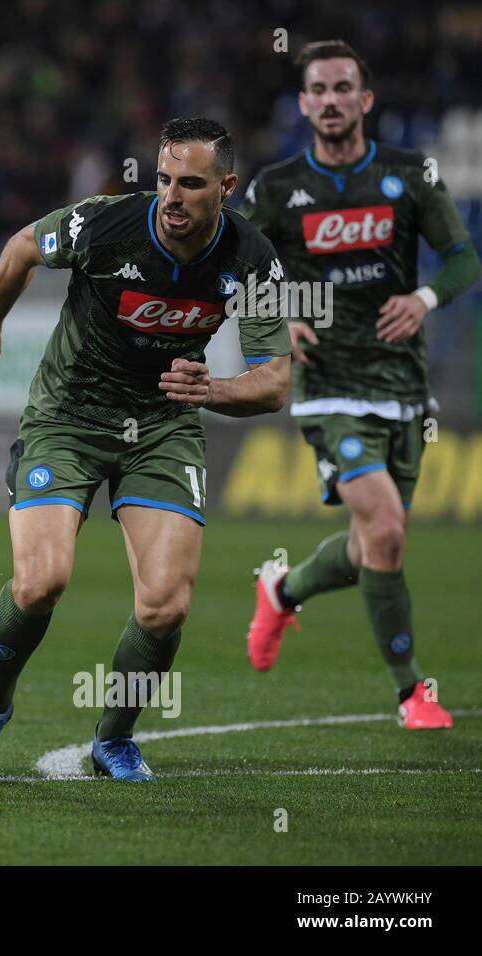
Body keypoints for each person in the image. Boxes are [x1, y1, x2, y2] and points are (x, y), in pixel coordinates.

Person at [0, 118, 291, 781]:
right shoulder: (105, 225)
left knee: (166, 604)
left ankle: (112, 739)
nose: (172, 196)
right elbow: (22, 246)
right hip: (68, 417)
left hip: (164, 426)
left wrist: (214, 388)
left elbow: (275, 381)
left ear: (226, 186)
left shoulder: (252, 257)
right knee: (41, 580)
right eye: (164, 179)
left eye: (191, 184)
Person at [241, 40, 478, 728]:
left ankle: (281, 591)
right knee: (384, 526)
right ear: (305, 103)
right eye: (319, 88)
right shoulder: (278, 189)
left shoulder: (410, 175)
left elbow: (464, 259)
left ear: (365, 100)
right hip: (327, 385)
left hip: (403, 385)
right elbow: (231, 267)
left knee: (375, 542)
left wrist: (426, 299)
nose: (333, 99)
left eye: (345, 87)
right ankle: (412, 693)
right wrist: (275, 317)